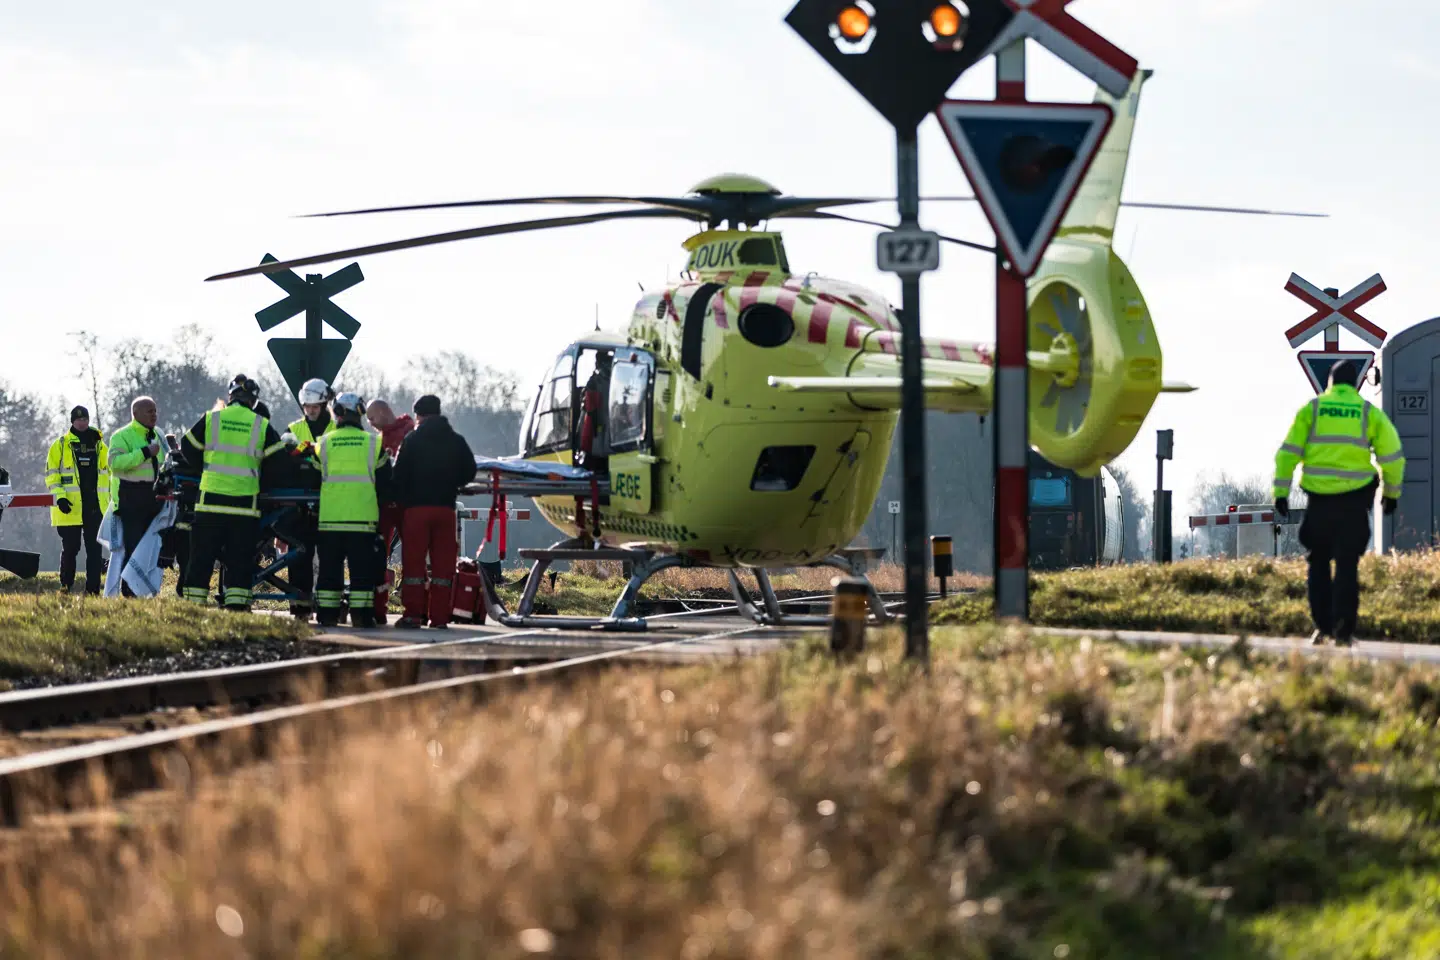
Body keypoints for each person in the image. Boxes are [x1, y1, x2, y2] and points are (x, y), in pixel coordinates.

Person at [1274, 360, 1406, 646]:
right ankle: (1344, 632)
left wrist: (1281, 493)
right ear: (1355, 384)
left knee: (1318, 562)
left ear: (1330, 383)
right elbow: (1393, 456)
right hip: (1354, 503)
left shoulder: (1313, 409)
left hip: (1319, 501)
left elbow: (1287, 454)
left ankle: (1322, 628)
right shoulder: (1367, 412)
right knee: (1347, 565)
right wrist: (1391, 494)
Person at [178, 374, 287, 611]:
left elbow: (186, 446)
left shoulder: (212, 418)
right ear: (253, 401)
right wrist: (261, 481)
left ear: (230, 397)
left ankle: (193, 607)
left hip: (210, 504)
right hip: (244, 508)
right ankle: (236, 608)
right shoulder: (260, 424)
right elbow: (280, 461)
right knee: (239, 560)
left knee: (201, 558)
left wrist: (204, 469)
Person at [393, 395, 477, 629]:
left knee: (414, 566)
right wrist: (452, 483)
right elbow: (469, 471)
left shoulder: (411, 440)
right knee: (443, 568)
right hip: (445, 509)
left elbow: (398, 475)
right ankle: (439, 619)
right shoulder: (456, 440)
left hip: (416, 510)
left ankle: (412, 615)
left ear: (418, 415)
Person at [313, 392, 393, 628]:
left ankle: (327, 615)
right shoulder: (373, 443)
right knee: (362, 574)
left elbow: (312, 476)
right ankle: (361, 616)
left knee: (329, 572)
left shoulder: (323, 443)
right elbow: (386, 482)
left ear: (337, 414)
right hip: (363, 521)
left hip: (330, 520)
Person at [284, 378, 337, 620]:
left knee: (330, 558)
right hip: (299, 504)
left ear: (324, 405)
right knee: (299, 556)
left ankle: (328, 609)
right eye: (307, 407)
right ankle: (300, 608)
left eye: (315, 406)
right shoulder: (293, 429)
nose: (311, 411)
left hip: (330, 502)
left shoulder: (336, 430)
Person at [46, 405, 110, 595]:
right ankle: (66, 586)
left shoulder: (99, 444)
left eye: (85, 419)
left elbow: (110, 473)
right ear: (72, 421)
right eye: (78, 419)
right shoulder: (60, 444)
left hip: (94, 506)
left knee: (94, 550)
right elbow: (52, 476)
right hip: (69, 507)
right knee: (71, 548)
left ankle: (93, 590)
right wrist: (60, 498)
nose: (82, 422)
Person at [108, 398, 167, 597]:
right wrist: (144, 452)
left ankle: (146, 591)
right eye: (149, 411)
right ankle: (129, 592)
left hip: (154, 499)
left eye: (155, 410)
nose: (154, 415)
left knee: (151, 549)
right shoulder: (121, 436)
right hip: (131, 499)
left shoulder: (158, 435)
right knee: (133, 547)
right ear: (136, 414)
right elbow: (115, 464)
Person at [365, 398, 415, 624]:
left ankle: (413, 610)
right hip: (386, 505)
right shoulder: (379, 439)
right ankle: (379, 609)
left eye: (372, 418)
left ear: (383, 413)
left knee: (411, 559)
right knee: (378, 558)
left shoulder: (408, 434)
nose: (370, 423)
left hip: (403, 504)